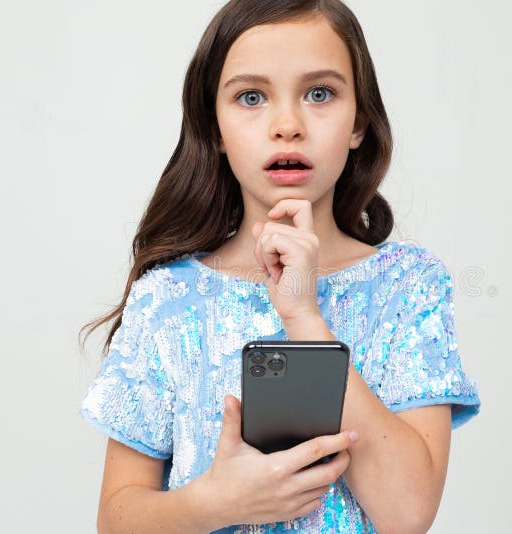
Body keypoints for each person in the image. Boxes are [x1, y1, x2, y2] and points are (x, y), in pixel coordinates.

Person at [79, 1, 481, 532]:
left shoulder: (407, 287)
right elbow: (116, 519)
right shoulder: (165, 299)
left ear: (359, 121)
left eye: (320, 93)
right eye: (252, 97)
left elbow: (408, 514)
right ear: (216, 128)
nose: (287, 125)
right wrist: (218, 502)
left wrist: (305, 320)